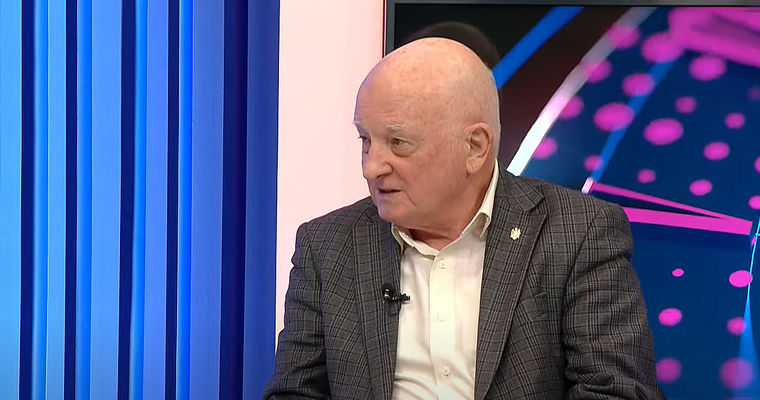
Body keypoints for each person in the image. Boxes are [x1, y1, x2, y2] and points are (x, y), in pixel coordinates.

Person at [264, 38, 663, 399]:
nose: (371, 167)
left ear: (475, 147)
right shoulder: (327, 245)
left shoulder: (578, 233)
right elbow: (294, 393)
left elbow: (616, 392)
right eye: (365, 140)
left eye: (398, 143)